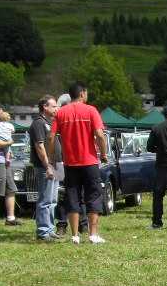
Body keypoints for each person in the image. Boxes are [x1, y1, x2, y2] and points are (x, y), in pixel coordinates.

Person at [47, 84, 109, 244]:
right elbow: (100, 135)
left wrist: (51, 157)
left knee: (72, 197)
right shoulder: (91, 110)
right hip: (89, 162)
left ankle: (75, 235)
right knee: (93, 196)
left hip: (70, 163)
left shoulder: (61, 113)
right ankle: (93, 234)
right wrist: (103, 154)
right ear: (82, 94)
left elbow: (51, 137)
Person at [29, 95, 60, 241]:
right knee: (45, 199)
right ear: (45, 107)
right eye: (54, 106)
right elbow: (40, 146)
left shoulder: (51, 122)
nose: (57, 108)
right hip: (45, 167)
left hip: (57, 165)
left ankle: (50, 228)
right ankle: (42, 231)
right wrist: (47, 166)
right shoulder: (38, 123)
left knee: (53, 199)